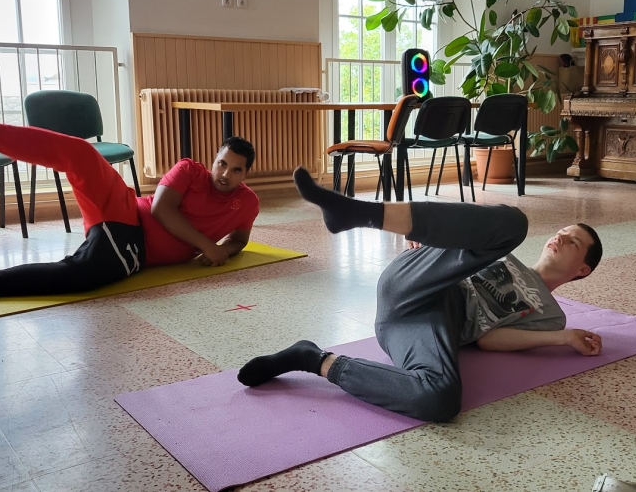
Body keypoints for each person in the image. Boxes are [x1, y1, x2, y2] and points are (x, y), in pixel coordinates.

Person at [237, 167, 603, 423]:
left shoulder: (552, 315)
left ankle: (311, 358)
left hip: (426, 325)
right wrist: (433, 237)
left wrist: (563, 337)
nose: (561, 237)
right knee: (513, 225)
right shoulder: (500, 249)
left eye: (574, 242)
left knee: (440, 400)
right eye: (562, 230)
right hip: (417, 282)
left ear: (582, 270)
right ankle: (361, 212)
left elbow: (490, 340)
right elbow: (453, 250)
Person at [0, 76, 260, 308]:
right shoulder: (189, 170)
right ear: (214, 160)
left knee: (76, 276)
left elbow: (240, 239)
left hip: (133, 252)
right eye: (222, 164)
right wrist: (207, 246)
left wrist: (225, 250)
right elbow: (160, 210)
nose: (225, 174)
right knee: (82, 153)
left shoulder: (247, 203)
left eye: (236, 169)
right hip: (127, 214)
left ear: (247, 174)